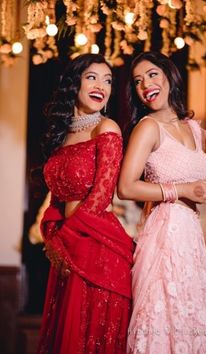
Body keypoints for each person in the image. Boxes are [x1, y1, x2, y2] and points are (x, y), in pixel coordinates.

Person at [118, 51, 206, 353]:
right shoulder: (148, 127)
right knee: (164, 320)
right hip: (164, 235)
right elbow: (126, 187)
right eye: (137, 81)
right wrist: (185, 190)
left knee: (191, 322)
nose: (145, 84)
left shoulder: (194, 128)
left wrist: (204, 191)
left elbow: (191, 182)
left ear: (168, 76)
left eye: (152, 74)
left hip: (191, 237)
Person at [37, 53, 134, 354]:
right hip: (68, 247)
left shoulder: (106, 129)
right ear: (74, 83)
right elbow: (56, 195)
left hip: (97, 247)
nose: (101, 86)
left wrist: (62, 241)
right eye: (92, 77)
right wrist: (51, 234)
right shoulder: (63, 135)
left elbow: (102, 195)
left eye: (107, 80)